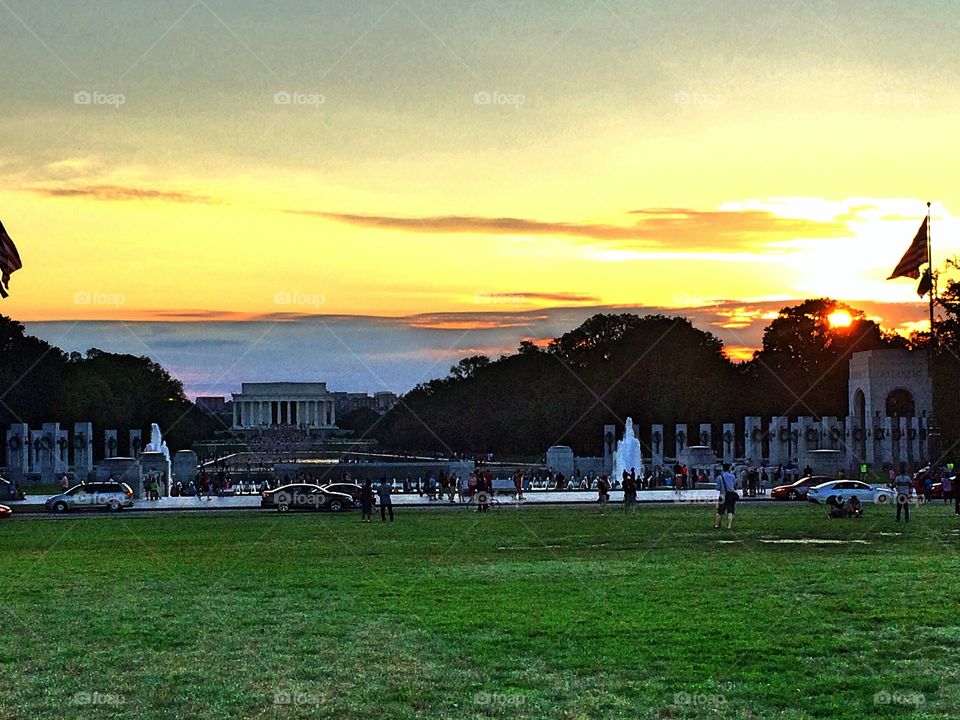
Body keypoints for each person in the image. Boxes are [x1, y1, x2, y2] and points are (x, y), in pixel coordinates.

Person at [714, 463, 738, 530]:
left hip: (722, 495)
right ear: (729, 468)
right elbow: (735, 486)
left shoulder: (720, 477)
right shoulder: (732, 476)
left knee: (720, 511)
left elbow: (718, 487)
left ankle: (717, 524)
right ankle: (729, 525)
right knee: (730, 510)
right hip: (730, 495)